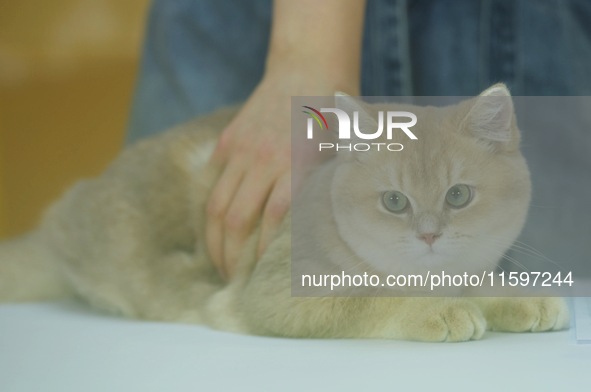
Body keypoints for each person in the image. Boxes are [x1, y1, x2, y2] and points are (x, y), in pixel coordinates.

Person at [127, 0, 591, 279]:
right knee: (184, 297)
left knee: (537, 341)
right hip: (263, 25)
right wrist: (305, 59)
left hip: (526, 23)